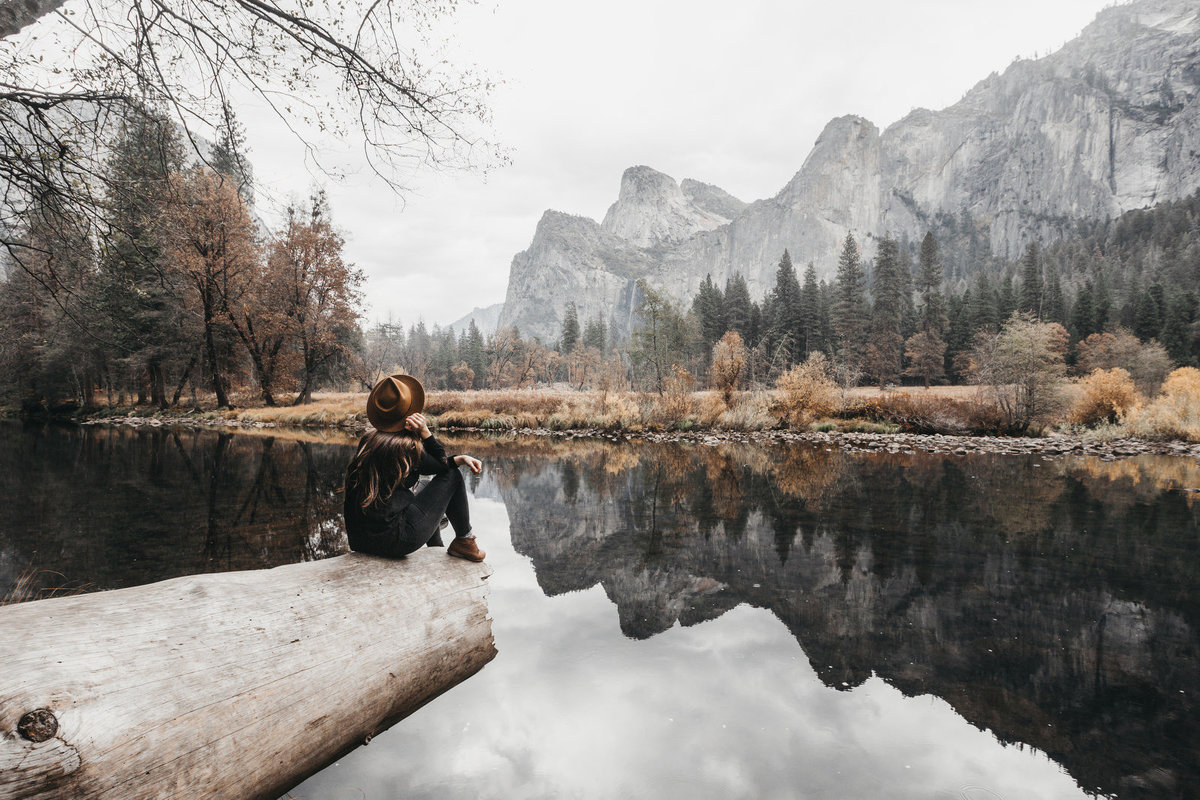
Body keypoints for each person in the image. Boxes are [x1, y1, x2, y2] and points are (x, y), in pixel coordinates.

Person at [344, 374, 485, 561]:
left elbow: (430, 467)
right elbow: (444, 468)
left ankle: (436, 547)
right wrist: (425, 432)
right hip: (393, 542)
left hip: (359, 540)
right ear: (410, 411)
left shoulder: (369, 441)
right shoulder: (406, 447)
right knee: (453, 476)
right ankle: (465, 541)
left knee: (426, 485)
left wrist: (460, 458)